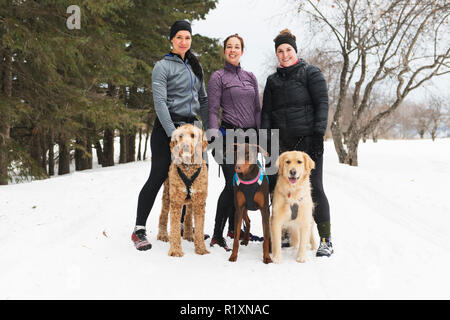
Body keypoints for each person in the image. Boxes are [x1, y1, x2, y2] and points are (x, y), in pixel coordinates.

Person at [131, 20, 209, 251]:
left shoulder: (196, 65)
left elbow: (203, 100)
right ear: (171, 40)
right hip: (168, 129)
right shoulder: (162, 66)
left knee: (195, 178)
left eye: (187, 37)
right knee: (158, 176)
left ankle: (186, 229)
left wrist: (206, 129)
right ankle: (139, 229)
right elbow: (160, 102)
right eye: (179, 37)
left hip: (192, 131)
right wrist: (172, 134)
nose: (183, 41)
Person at [261, 29, 333, 257]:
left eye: (288, 50)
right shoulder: (272, 81)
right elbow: (266, 113)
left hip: (307, 143)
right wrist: (266, 142)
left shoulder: (311, 73)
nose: (284, 54)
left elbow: (322, 103)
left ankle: (325, 239)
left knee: (315, 189)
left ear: (295, 50)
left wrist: (318, 135)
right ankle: (283, 232)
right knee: (277, 188)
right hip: (281, 145)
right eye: (280, 51)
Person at [208, 33, 263, 250]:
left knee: (244, 184)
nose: (233, 50)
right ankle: (217, 234)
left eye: (237, 46)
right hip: (228, 137)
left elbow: (257, 110)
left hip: (249, 139)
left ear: (242, 51)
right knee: (232, 183)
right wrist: (214, 135)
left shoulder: (250, 77)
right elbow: (212, 109)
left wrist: (262, 136)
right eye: (229, 46)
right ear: (224, 51)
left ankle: (234, 229)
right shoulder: (218, 77)